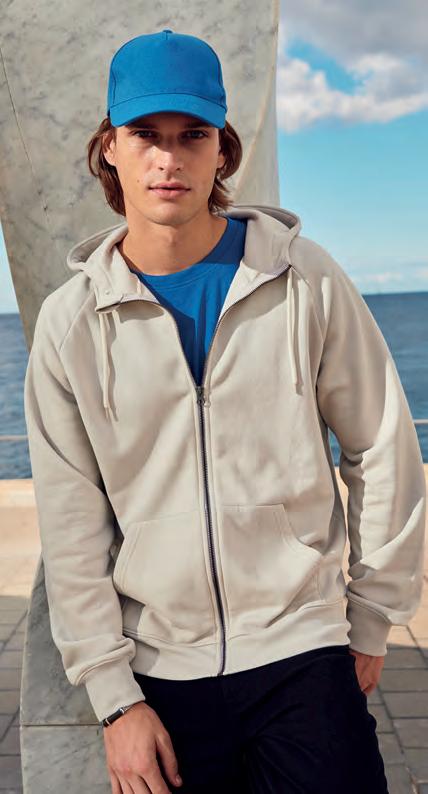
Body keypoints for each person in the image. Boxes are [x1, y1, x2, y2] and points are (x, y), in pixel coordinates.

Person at [23, 29, 426, 794]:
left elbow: (380, 441)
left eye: (192, 135)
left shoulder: (303, 280)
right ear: (110, 148)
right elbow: (71, 522)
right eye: (146, 134)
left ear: (223, 150)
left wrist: (374, 612)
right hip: (160, 676)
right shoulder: (71, 324)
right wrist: (114, 700)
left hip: (303, 658)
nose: (168, 159)